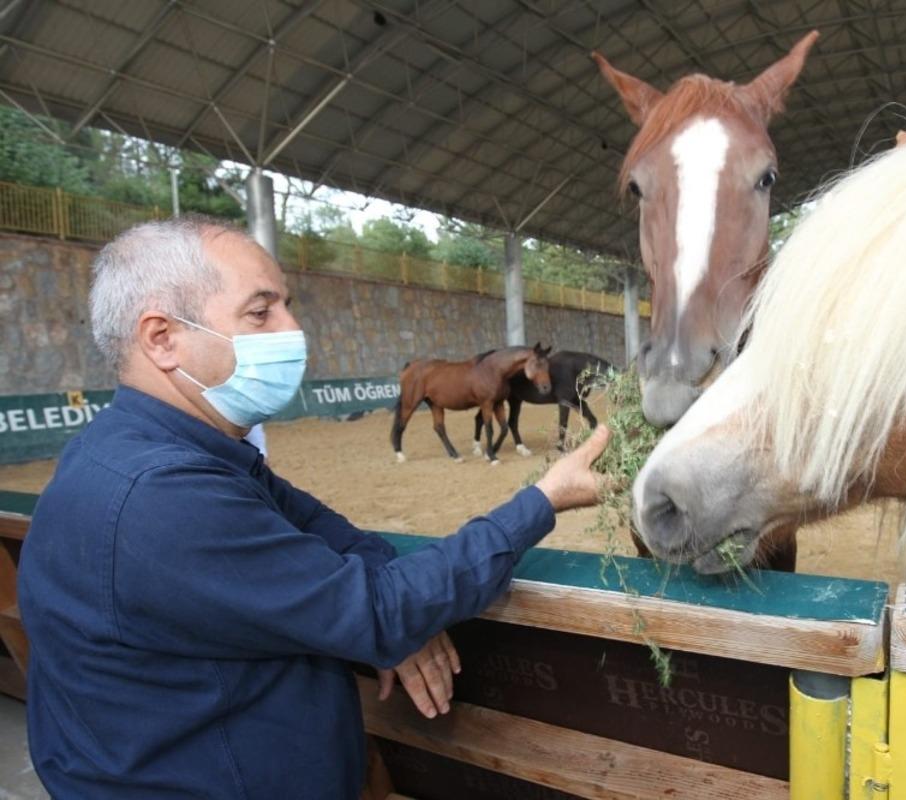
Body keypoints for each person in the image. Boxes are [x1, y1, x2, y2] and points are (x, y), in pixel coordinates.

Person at [18, 217, 610, 799]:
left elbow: (322, 528)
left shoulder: (168, 452)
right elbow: (378, 610)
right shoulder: (165, 496)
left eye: (287, 305)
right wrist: (541, 501)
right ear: (162, 338)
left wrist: (389, 623)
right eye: (261, 311)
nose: (292, 328)